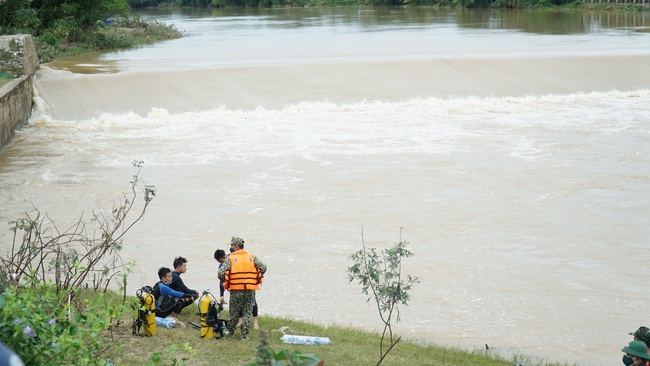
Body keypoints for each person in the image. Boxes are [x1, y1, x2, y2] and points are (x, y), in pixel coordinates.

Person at [218, 236, 267, 340]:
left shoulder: (230, 258)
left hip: (236, 290)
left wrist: (225, 280)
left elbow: (220, 273)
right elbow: (264, 267)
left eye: (231, 245)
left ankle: (230, 335)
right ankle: (244, 337)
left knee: (233, 313)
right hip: (250, 289)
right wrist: (255, 277)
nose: (231, 247)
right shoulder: (251, 256)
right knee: (247, 313)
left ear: (235, 246)